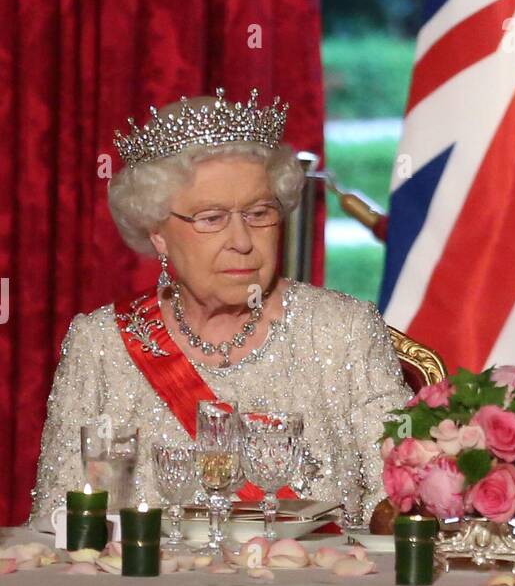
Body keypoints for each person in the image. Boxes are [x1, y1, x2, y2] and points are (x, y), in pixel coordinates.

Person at [30, 89, 411, 526]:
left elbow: (400, 504)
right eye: (211, 218)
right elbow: (57, 521)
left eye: (259, 213)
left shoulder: (344, 332)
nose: (243, 241)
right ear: (158, 233)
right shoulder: (100, 343)